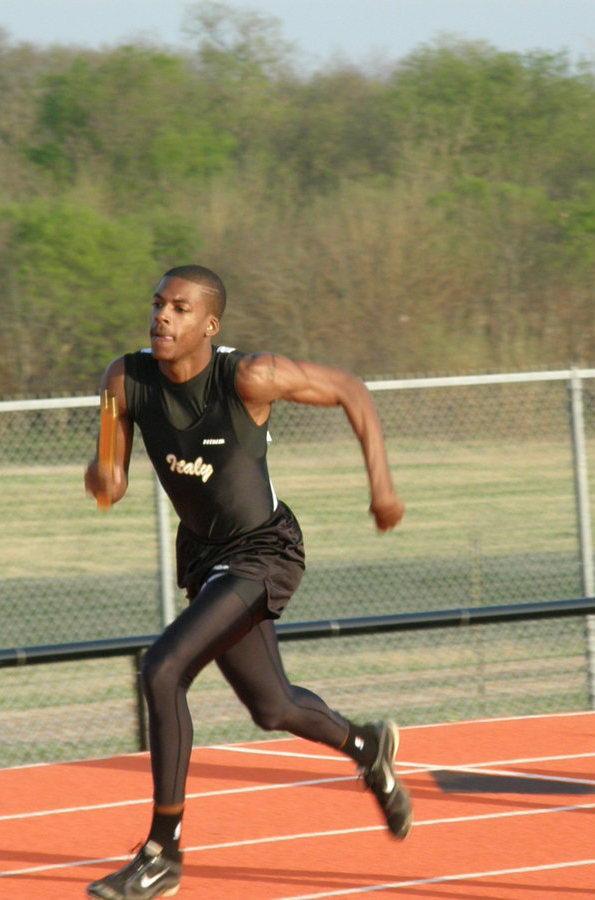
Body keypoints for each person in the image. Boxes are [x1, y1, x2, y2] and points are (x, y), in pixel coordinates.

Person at [83, 265, 411, 900]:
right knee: (273, 707)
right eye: (157, 304)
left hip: (263, 551)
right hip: (207, 558)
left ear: (209, 325)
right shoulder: (123, 381)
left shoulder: (248, 375)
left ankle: (162, 853)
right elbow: (112, 480)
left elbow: (351, 389)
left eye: (179, 309)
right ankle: (368, 745)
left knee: (161, 668)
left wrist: (382, 487)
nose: (162, 317)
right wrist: (100, 478)